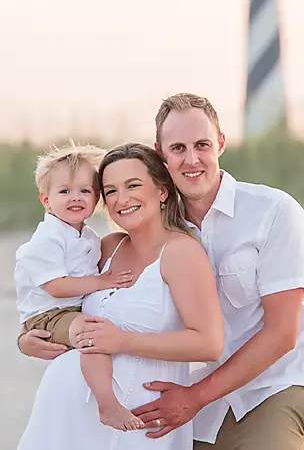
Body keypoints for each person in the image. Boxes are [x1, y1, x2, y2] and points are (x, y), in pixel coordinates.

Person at [85, 93, 304, 450]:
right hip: (193, 396)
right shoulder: (154, 226)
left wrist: (196, 397)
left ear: (220, 143)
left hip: (277, 384)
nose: (192, 159)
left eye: (202, 144)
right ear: (161, 154)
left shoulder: (274, 212)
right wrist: (39, 331)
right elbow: (88, 294)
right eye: (178, 148)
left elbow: (283, 333)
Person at [16, 142, 224, 450]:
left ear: (162, 191)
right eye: (111, 191)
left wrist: (122, 341)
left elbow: (209, 343)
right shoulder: (106, 247)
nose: (121, 199)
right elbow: (54, 298)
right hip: (63, 418)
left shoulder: (181, 252)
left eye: (133, 186)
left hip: (134, 423)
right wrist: (25, 340)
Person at [13, 141, 144, 431]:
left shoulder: (89, 238)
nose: (76, 197)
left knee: (91, 329)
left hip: (69, 310)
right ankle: (107, 404)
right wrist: (102, 282)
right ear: (45, 200)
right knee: (92, 334)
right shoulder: (48, 239)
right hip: (50, 314)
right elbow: (57, 286)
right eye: (64, 191)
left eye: (85, 191)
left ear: (96, 198)